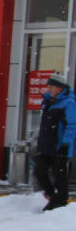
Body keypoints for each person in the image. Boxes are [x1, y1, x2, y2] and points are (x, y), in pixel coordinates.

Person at [34, 71, 76, 212]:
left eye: (52, 86)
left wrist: (65, 144)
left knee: (60, 177)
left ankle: (61, 202)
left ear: (60, 88)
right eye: (49, 86)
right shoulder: (47, 102)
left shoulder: (68, 103)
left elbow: (72, 125)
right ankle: (53, 196)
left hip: (59, 146)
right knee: (39, 172)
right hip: (45, 145)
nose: (49, 89)